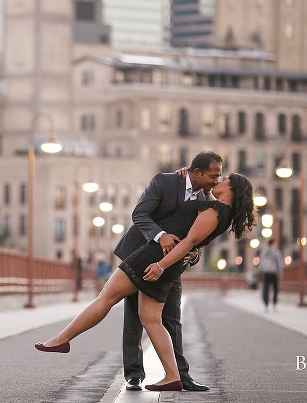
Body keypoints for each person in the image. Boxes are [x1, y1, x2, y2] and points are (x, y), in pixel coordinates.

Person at [35, 173, 256, 392]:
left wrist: (160, 265)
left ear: (232, 189)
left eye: (224, 179)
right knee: (151, 319)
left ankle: (61, 339)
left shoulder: (215, 213)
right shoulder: (219, 211)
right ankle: (172, 376)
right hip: (164, 263)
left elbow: (189, 240)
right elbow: (193, 238)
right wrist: (204, 188)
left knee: (107, 297)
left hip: (152, 258)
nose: (218, 180)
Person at [112, 151, 223, 392]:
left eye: (220, 177)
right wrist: (161, 236)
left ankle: (180, 376)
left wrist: (194, 255)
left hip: (172, 266)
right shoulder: (165, 181)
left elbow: (197, 237)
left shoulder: (206, 201)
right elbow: (140, 214)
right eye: (213, 176)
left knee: (172, 318)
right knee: (134, 316)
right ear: (196, 172)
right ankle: (133, 374)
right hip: (139, 256)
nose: (216, 181)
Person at [258, 238, 283, 312]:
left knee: (266, 288)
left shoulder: (264, 251)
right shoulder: (276, 252)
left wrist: (259, 271)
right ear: (273, 243)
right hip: (273, 272)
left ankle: (266, 304)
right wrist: (280, 272)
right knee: (275, 288)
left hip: (266, 272)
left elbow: (261, 262)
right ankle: (274, 303)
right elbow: (279, 263)